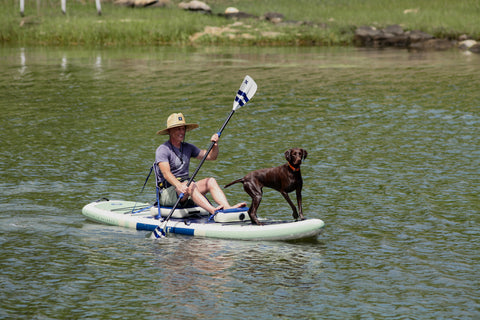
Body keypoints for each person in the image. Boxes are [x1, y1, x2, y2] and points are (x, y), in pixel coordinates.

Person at [154, 112, 246, 214]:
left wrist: (215, 145)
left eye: (183, 129)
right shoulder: (163, 149)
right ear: (170, 131)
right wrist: (179, 185)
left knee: (210, 181)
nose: (182, 132)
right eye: (178, 129)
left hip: (187, 187)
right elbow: (166, 174)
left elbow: (211, 156)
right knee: (190, 185)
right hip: (168, 192)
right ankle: (212, 210)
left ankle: (227, 208)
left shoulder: (188, 147)